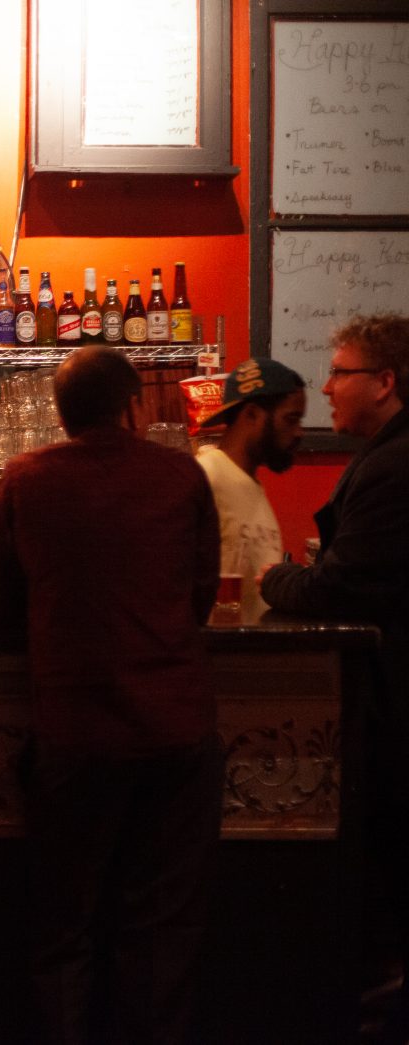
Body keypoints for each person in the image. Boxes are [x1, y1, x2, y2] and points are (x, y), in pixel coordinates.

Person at [0, 346, 222, 1045]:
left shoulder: (26, 478)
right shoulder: (181, 475)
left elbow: (0, 610)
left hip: (76, 735)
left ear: (60, 414)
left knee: (64, 928)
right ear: (134, 406)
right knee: (158, 933)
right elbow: (201, 599)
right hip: (175, 732)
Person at [261, 313, 409, 1042]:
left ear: (384, 382)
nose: (325, 387)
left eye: (339, 372)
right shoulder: (387, 456)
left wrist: (275, 578)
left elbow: (341, 589)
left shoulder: (393, 464)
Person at [194, 356, 307, 616]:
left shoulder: (250, 485)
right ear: (252, 414)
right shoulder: (207, 476)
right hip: (220, 654)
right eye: (291, 419)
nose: (299, 432)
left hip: (250, 653)